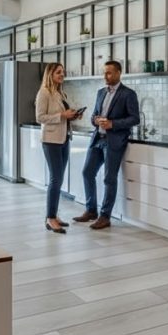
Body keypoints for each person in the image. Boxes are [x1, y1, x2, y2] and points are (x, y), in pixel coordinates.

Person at [74, 61, 139, 230]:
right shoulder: (100, 92)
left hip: (114, 141)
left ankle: (105, 216)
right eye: (104, 73)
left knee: (109, 179)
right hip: (98, 139)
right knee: (87, 172)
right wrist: (95, 120)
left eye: (109, 73)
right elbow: (94, 115)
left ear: (118, 73)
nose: (105, 76)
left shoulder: (128, 94)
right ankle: (91, 210)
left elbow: (135, 118)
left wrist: (113, 124)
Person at [35, 63, 80, 234]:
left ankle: (54, 215)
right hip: (51, 140)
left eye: (63, 72)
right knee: (56, 179)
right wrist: (62, 115)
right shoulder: (44, 92)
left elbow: (63, 117)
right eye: (58, 72)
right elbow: (40, 117)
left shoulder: (60, 93)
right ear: (50, 74)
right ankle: (50, 218)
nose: (62, 74)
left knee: (59, 179)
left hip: (64, 139)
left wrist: (72, 116)